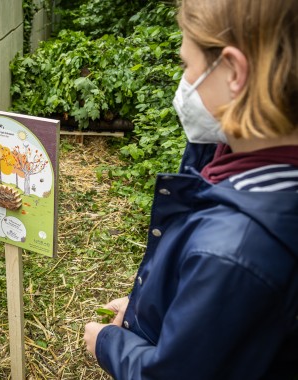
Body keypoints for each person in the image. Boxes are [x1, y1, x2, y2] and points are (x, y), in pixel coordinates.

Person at [83, 0, 298, 378]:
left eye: (188, 64)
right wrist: (145, 311)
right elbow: (220, 328)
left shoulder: (235, 250)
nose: (184, 82)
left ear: (233, 70)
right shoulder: (237, 162)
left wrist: (109, 343)